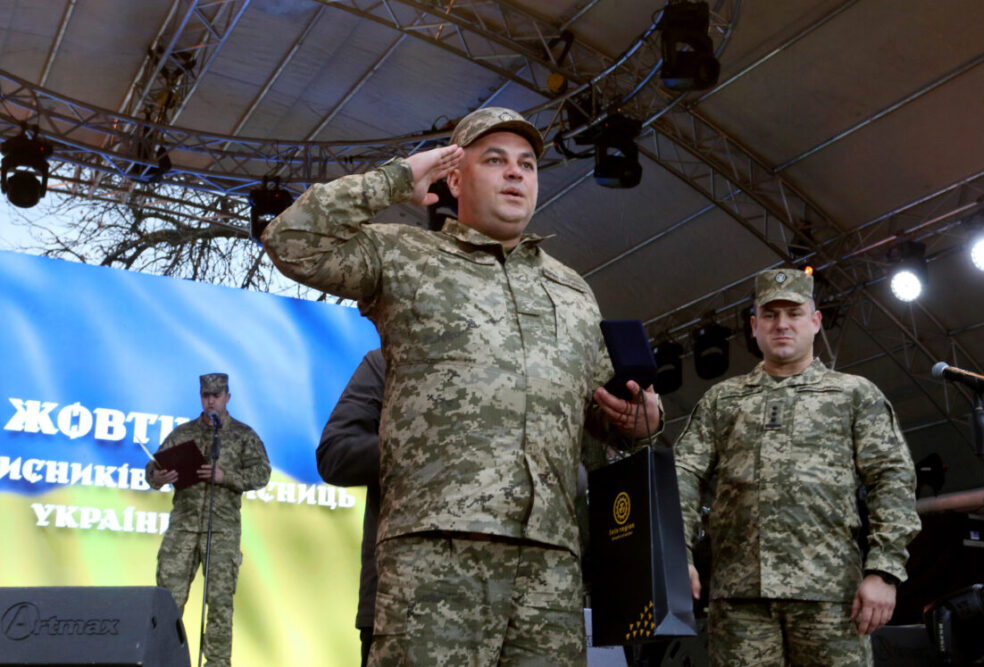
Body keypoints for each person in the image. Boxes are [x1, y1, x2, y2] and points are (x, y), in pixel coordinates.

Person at [262, 107, 661, 665]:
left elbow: (602, 411)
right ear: (454, 177)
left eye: (526, 164)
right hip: (434, 556)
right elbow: (291, 240)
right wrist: (398, 178)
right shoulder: (405, 256)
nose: (515, 172)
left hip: (549, 566)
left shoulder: (572, 291)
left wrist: (641, 421)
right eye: (494, 160)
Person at [673, 268, 921, 666]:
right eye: (770, 315)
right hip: (741, 600)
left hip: (832, 596)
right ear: (754, 327)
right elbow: (682, 475)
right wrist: (676, 556)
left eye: (794, 313)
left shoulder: (853, 394)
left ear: (816, 321)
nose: (782, 324)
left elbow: (891, 477)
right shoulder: (723, 400)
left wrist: (885, 570)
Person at [145, 373, 271, 667]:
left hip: (222, 532)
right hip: (183, 529)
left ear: (227, 397)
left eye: (216, 395)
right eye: (206, 395)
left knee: (219, 604)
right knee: (167, 602)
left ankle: (216, 663)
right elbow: (153, 468)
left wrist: (226, 477)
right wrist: (158, 476)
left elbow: (262, 474)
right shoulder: (183, 433)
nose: (211, 401)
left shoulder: (244, 435)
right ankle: (163, 661)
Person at [316, 348, 385, 667]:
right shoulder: (390, 360)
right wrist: (414, 443)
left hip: (521, 606)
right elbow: (335, 454)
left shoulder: (531, 358)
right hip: (400, 603)